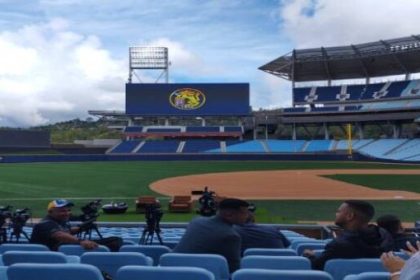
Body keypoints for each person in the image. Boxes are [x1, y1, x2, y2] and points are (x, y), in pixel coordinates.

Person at [303, 200, 393, 270]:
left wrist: (310, 256)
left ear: (350, 216)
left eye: (339, 212)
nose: (336, 214)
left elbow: (316, 266)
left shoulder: (338, 245)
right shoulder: (384, 236)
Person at [173, 198, 249, 273]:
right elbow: (234, 269)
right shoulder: (231, 236)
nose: (247, 216)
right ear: (229, 214)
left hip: (172, 270)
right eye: (244, 213)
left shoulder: (196, 221)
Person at [30, 199, 122, 251]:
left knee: (115, 240)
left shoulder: (59, 220)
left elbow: (66, 231)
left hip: (63, 249)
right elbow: (59, 235)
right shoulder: (45, 223)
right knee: (114, 242)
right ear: (50, 212)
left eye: (68, 210)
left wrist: (81, 228)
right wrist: (81, 241)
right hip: (54, 255)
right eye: (62, 211)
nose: (67, 213)